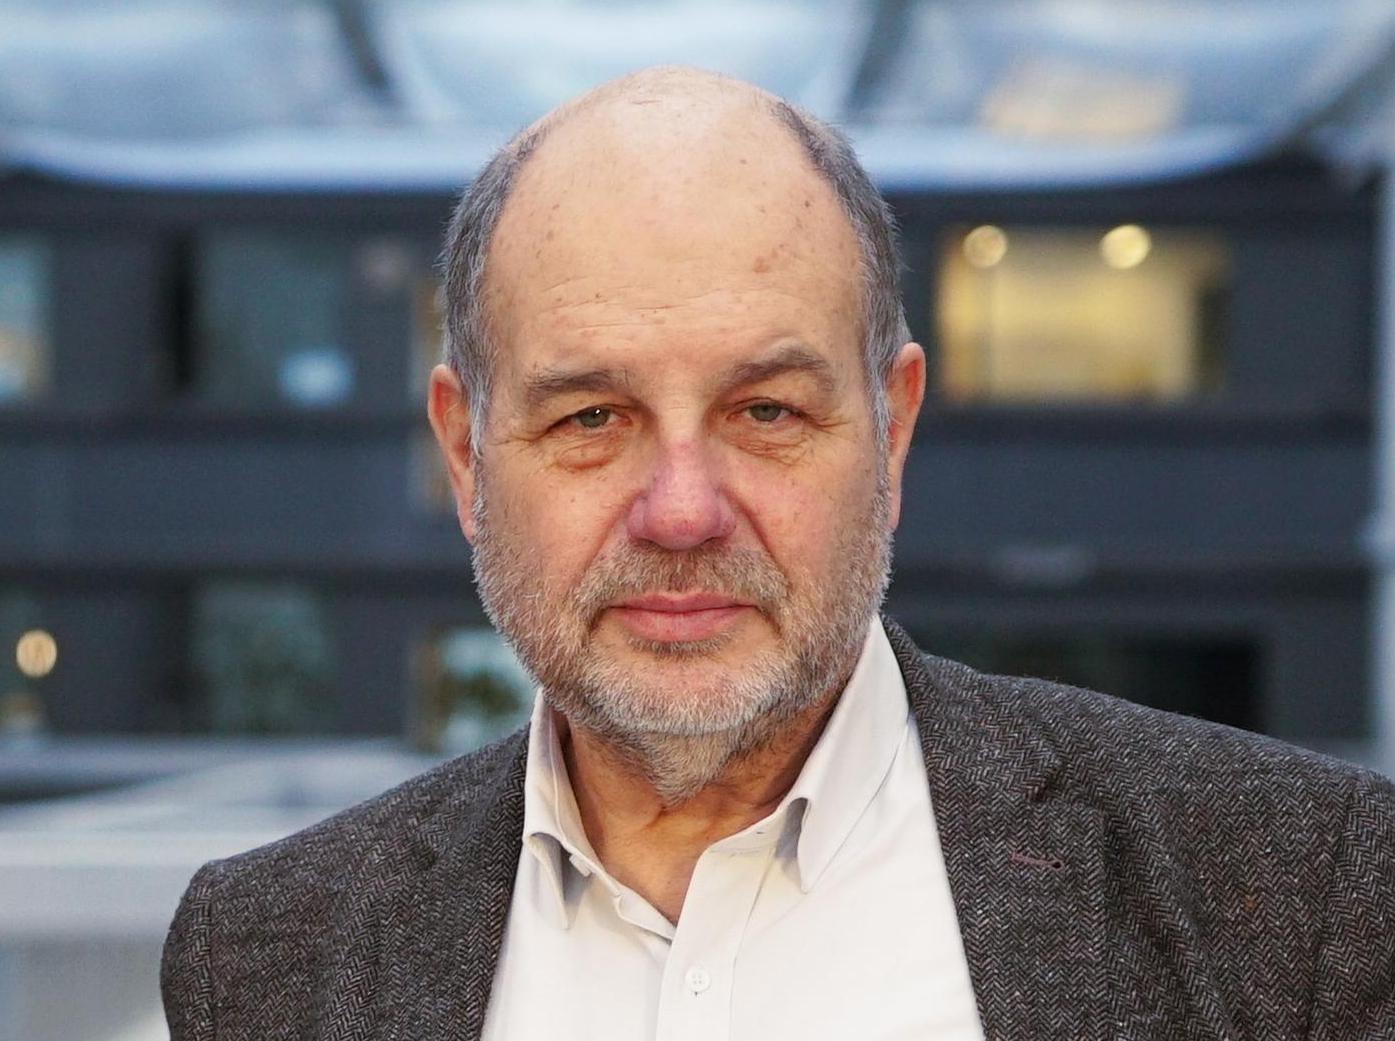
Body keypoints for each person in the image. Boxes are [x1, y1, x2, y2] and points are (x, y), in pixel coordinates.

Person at [161, 66, 1395, 1040]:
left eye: (766, 411)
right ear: (467, 458)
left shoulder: (1304, 896)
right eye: (591, 418)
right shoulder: (267, 958)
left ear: (893, 432)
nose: (682, 512)